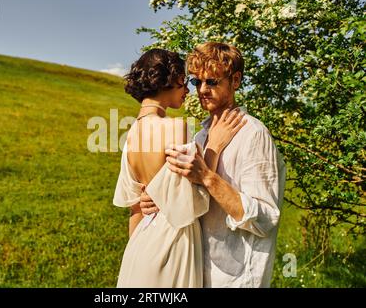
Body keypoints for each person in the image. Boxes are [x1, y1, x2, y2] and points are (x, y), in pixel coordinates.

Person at [140, 42, 286, 287]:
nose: (202, 90)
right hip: (197, 272)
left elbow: (265, 219)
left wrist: (208, 177)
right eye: (197, 82)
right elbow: (191, 203)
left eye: (212, 82)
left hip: (236, 278)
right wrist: (158, 200)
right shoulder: (199, 137)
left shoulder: (253, 134)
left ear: (236, 80)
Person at [113, 48, 246, 287]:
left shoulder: (130, 137)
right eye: (184, 82)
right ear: (168, 80)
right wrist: (214, 146)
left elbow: (135, 211)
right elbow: (190, 203)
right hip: (173, 243)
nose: (187, 91)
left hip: (139, 247)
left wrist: (138, 252)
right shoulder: (176, 127)